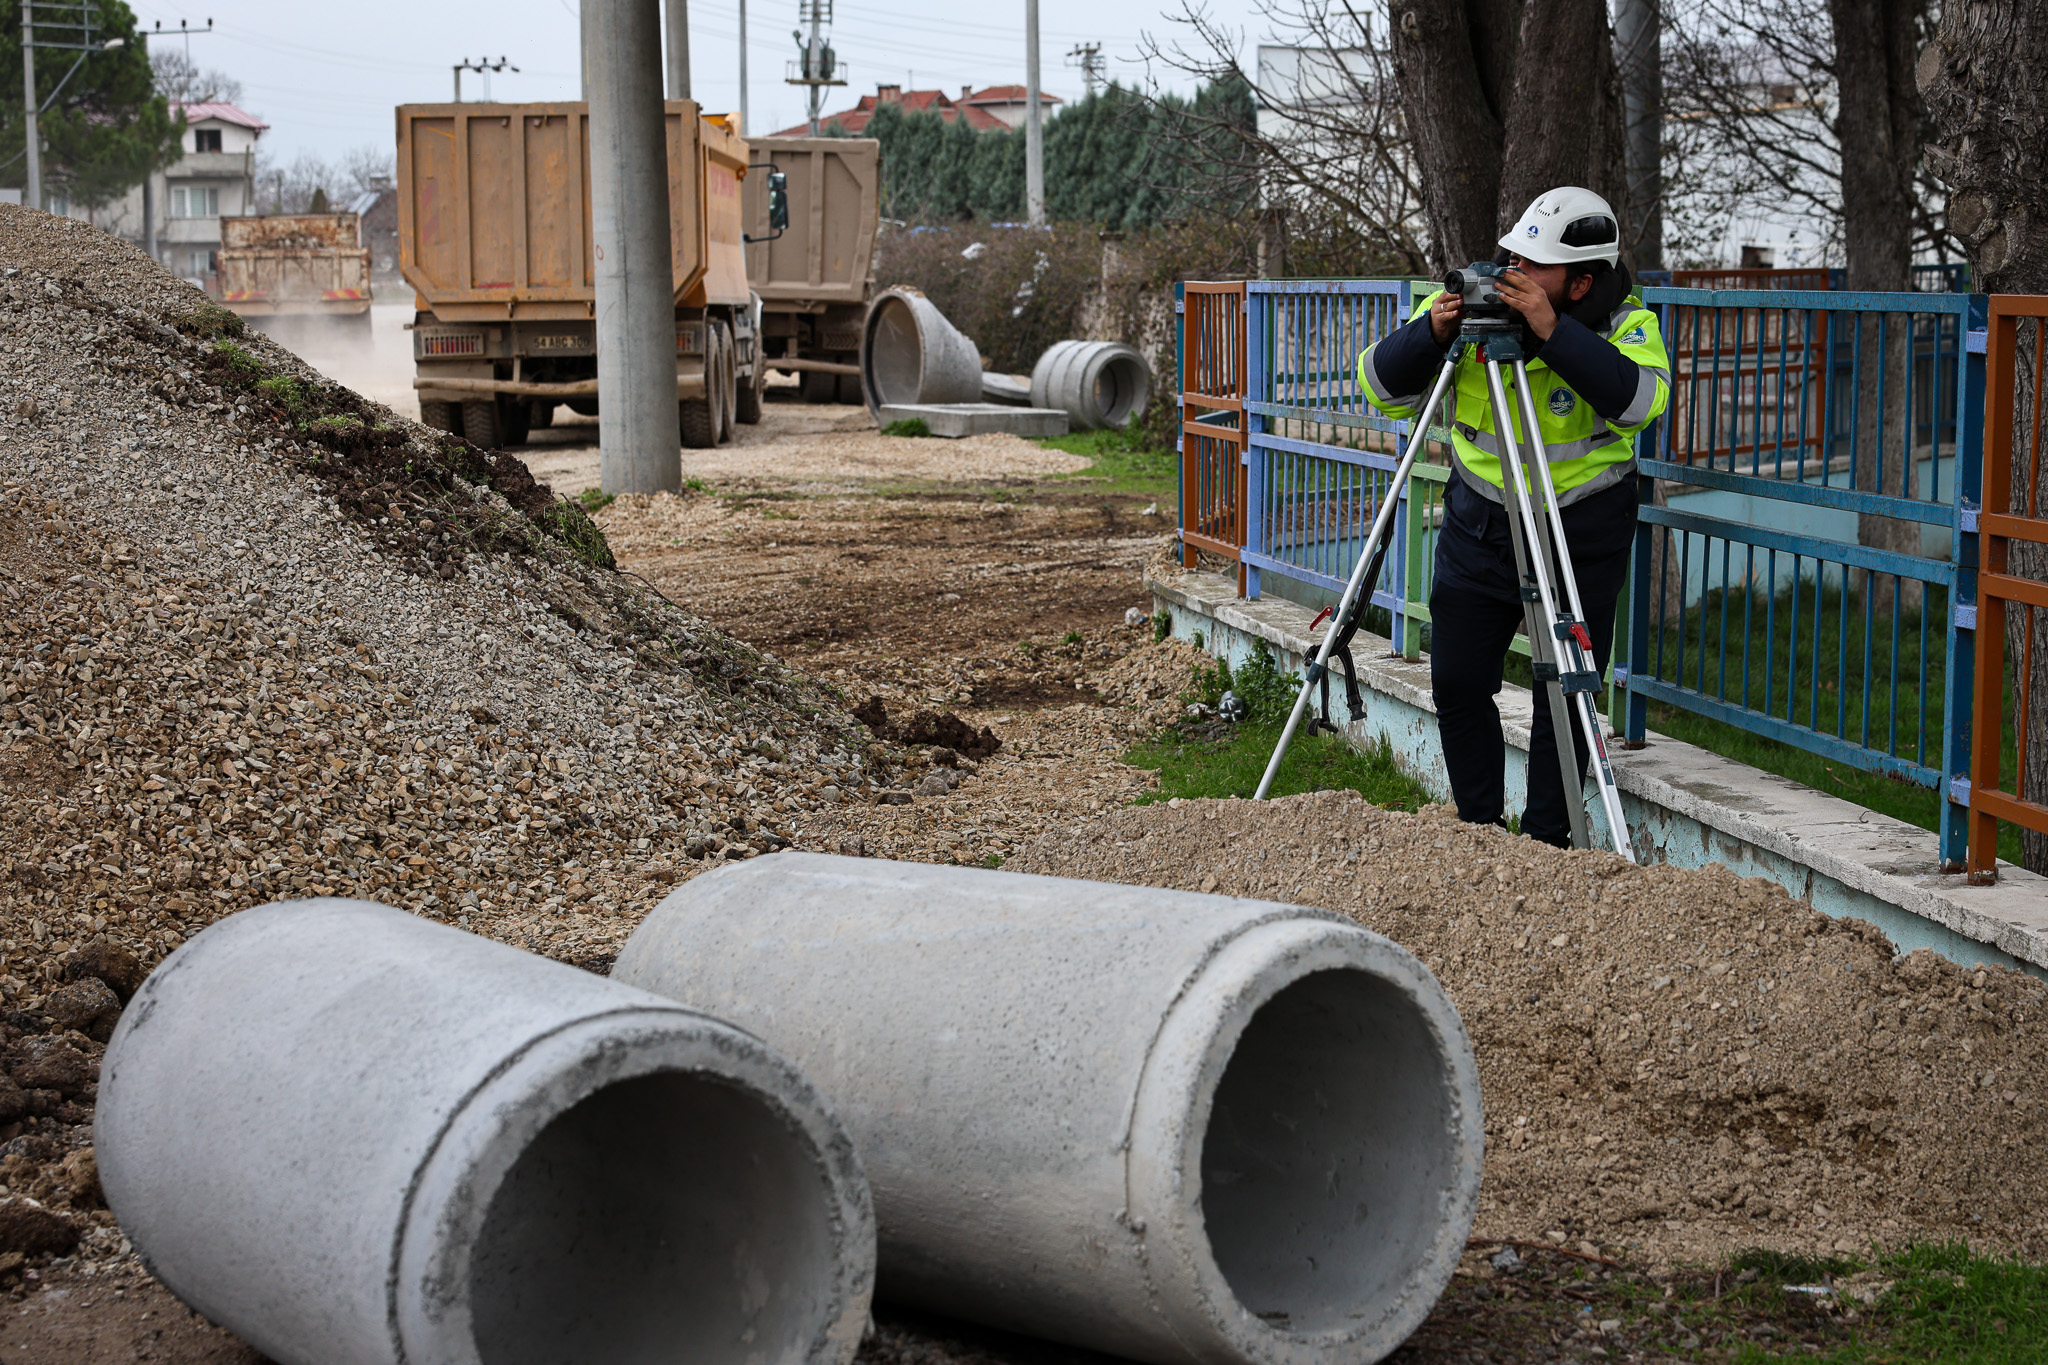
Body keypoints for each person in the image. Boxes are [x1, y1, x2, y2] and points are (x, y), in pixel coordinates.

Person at [1355, 187, 1670, 846]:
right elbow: (1380, 387)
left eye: (1535, 267)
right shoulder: (1472, 308)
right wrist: (1433, 332)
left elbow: (1638, 403)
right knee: (1458, 681)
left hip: (1578, 533)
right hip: (1481, 523)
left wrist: (1553, 334)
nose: (1514, 275)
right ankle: (1480, 830)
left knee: (1566, 695)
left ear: (1581, 283)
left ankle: (1548, 843)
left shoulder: (1628, 325)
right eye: (1514, 259)